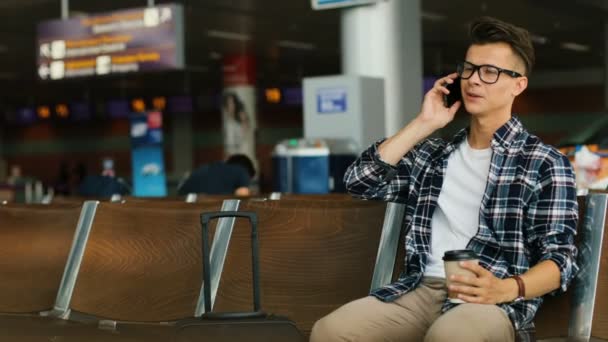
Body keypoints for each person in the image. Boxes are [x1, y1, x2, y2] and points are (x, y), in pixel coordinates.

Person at [311, 17, 578, 342]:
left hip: (489, 299)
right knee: (331, 332)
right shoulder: (433, 155)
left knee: (450, 336)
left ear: (518, 84)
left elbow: (560, 260)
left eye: (490, 72)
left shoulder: (544, 162)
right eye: (468, 68)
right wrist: (424, 123)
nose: (474, 81)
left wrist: (506, 288)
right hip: (420, 289)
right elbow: (359, 182)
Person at [177, 154, 255, 196]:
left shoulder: (204, 168)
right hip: (211, 214)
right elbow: (243, 196)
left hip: (183, 209)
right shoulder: (241, 170)